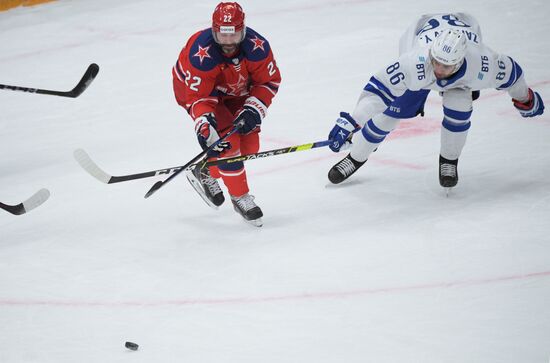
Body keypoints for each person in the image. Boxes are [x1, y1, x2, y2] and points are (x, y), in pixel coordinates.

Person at [326, 13, 544, 189]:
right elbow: (378, 90)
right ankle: (356, 157)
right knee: (389, 116)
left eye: (446, 66)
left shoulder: (484, 64)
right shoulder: (415, 62)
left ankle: (449, 160)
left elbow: (513, 76)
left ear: (460, 61)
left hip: (460, 81)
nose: (439, 70)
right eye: (436, 61)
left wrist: (525, 99)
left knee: (459, 108)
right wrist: (353, 121)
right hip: (419, 65)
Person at [172, 2, 281, 226]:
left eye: (234, 35)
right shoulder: (200, 53)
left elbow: (268, 82)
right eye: (222, 36)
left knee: (250, 147)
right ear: (214, 30)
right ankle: (240, 196)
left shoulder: (257, 47)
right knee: (229, 146)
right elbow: (199, 98)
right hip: (201, 94)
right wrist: (204, 123)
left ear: (243, 30)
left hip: (237, 93)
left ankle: (205, 171)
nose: (228, 43)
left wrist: (254, 108)